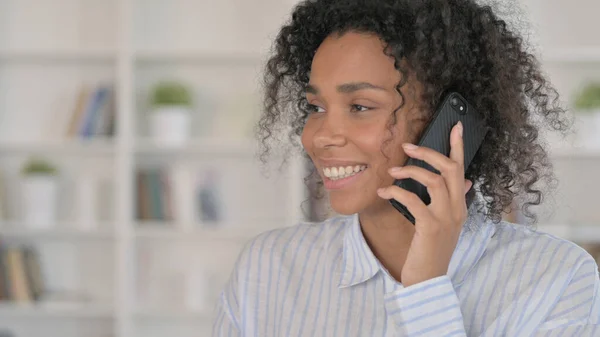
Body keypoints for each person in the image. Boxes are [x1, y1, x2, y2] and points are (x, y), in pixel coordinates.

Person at [212, 0, 600, 335]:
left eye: (360, 107)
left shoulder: (557, 278)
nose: (321, 136)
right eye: (316, 108)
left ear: (447, 124)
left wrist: (425, 288)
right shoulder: (265, 269)